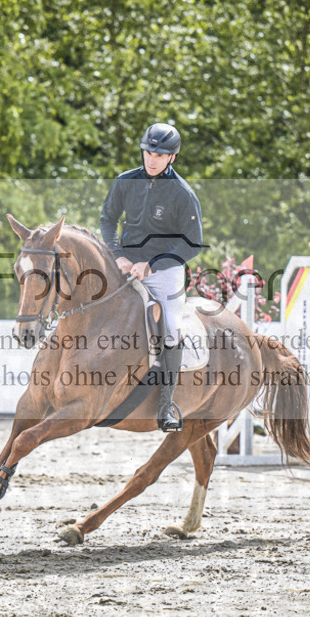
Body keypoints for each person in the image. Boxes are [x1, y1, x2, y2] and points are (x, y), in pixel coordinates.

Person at [100, 123, 203, 432]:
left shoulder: (183, 194)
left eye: (160, 155)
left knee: (171, 328)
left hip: (165, 272)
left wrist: (153, 264)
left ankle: (167, 404)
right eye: (148, 152)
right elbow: (107, 219)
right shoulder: (125, 182)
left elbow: (193, 243)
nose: (152, 159)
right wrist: (117, 255)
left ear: (173, 157)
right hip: (123, 266)